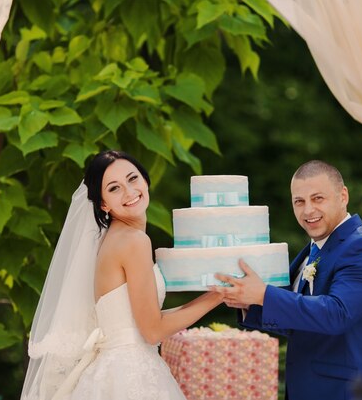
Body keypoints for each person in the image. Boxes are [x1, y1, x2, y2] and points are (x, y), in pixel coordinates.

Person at [21, 150, 223, 400]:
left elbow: (139, 322)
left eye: (133, 179)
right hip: (131, 374)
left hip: (112, 369)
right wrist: (218, 297)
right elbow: (152, 331)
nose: (129, 192)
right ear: (103, 203)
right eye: (114, 188)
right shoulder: (133, 241)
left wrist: (213, 294)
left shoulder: (111, 239)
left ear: (145, 180)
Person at [213, 160, 362, 400]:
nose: (308, 210)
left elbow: (336, 314)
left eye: (318, 198)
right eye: (299, 201)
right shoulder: (316, 247)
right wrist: (249, 303)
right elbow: (302, 319)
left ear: (343, 196)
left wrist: (263, 294)